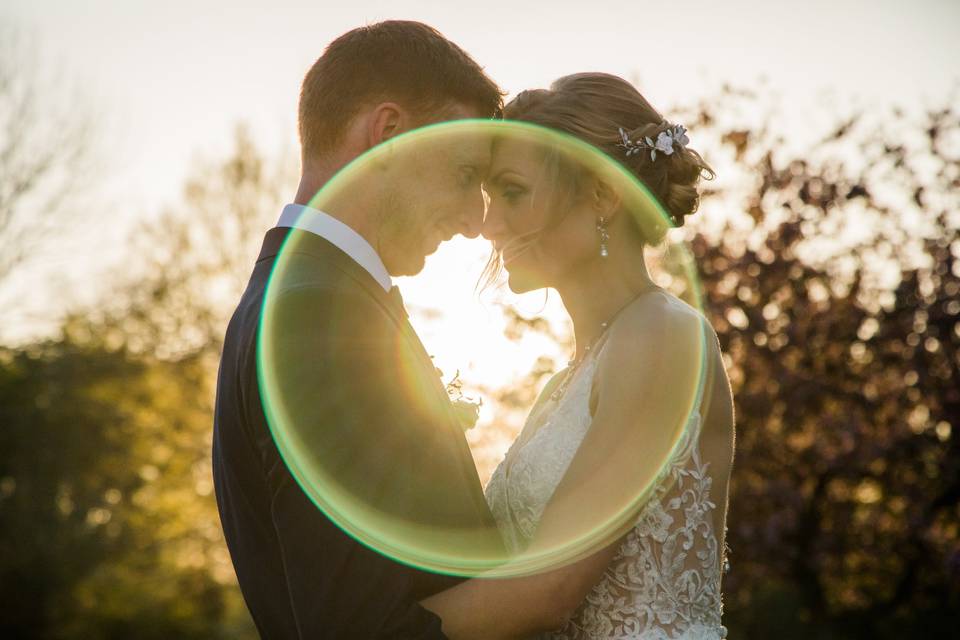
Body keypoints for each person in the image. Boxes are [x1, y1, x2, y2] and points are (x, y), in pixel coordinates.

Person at [211, 21, 505, 639]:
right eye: (463, 173)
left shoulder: (304, 297)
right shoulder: (319, 318)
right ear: (389, 133)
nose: (476, 219)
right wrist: (556, 589)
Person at [420, 73, 735, 639]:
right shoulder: (563, 384)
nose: (488, 224)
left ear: (602, 195)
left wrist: (357, 625)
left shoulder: (664, 336)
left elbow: (548, 589)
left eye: (512, 191)